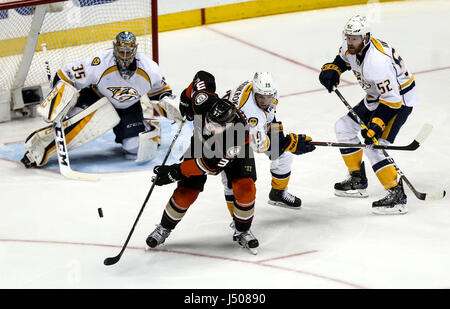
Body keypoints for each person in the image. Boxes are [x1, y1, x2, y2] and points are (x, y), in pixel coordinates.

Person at [21, 31, 181, 168]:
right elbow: (65, 74)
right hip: (96, 99)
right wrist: (59, 96)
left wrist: (171, 106)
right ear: (115, 49)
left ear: (135, 50)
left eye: (128, 52)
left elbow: (161, 94)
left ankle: (150, 127)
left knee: (134, 148)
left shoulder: (150, 69)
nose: (124, 56)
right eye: (121, 51)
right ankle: (39, 149)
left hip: (129, 108)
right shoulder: (100, 62)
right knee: (72, 124)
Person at [146, 70, 260, 254]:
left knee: (245, 188)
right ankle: (164, 227)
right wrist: (185, 101)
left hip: (230, 154)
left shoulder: (236, 138)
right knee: (186, 192)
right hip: (200, 145)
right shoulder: (204, 102)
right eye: (210, 123)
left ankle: (242, 231)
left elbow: (207, 166)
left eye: (217, 127)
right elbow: (203, 77)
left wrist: (173, 172)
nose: (210, 128)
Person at [318, 15, 418, 215]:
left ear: (366, 37)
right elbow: (343, 60)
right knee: (343, 127)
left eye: (354, 38)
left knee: (375, 144)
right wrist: (333, 70)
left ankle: (396, 195)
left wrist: (376, 125)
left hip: (399, 102)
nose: (350, 42)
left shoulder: (377, 62)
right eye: (348, 37)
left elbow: (392, 100)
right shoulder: (352, 45)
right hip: (376, 96)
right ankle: (357, 180)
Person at [222, 72, 316, 213]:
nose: (265, 101)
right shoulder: (251, 113)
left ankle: (278, 194)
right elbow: (259, 146)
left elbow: (270, 117)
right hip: (226, 137)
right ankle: (238, 222)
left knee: (285, 155)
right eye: (261, 97)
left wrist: (284, 141)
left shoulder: (269, 90)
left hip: (245, 127)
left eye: (268, 96)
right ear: (255, 92)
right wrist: (290, 142)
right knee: (233, 181)